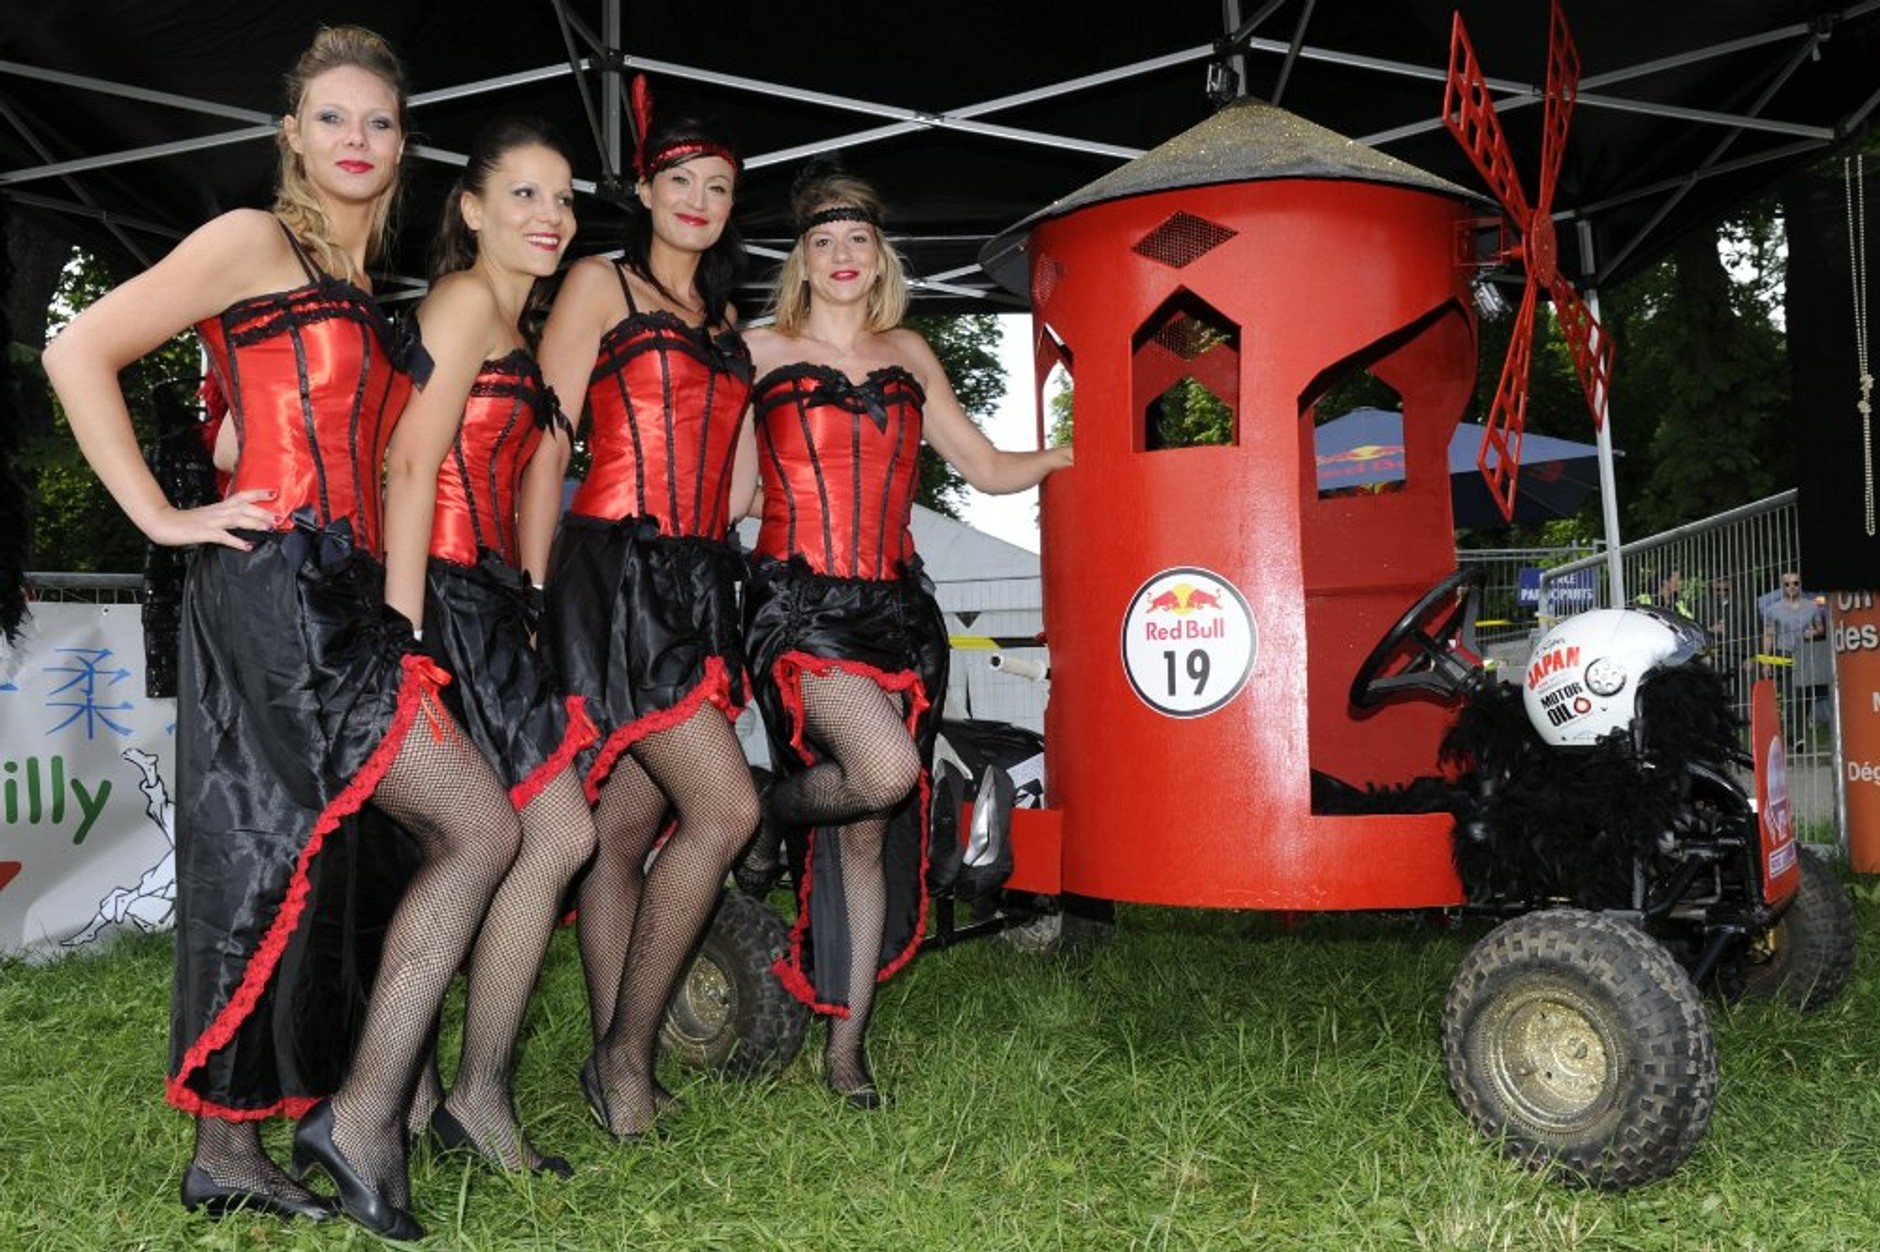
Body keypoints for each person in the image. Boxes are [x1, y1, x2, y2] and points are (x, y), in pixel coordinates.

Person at [44, 28, 521, 1241]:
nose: (355, 141)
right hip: (274, 588)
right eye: (332, 118)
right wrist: (164, 512)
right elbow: (75, 347)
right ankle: (360, 1117)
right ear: (291, 136)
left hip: (338, 594)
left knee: (274, 852)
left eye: (378, 122)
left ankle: (229, 1150)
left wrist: (397, 603)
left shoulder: (360, 287)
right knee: (479, 822)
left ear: (402, 145)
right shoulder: (251, 240)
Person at [741, 168, 1072, 1108]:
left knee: (867, 829)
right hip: (799, 608)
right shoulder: (757, 350)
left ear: (878, 256)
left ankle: (845, 1051)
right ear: (800, 259)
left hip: (896, 613)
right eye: (822, 242)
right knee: (884, 771)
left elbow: (985, 464)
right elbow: (726, 488)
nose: (842, 258)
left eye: (857, 242)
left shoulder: (911, 351)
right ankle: (766, 812)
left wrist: (1064, 456)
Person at [527, 99, 759, 1140]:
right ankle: (624, 1057)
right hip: (616, 572)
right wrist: (531, 592)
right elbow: (542, 440)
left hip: (702, 578)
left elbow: (744, 483)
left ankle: (610, 1052)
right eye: (681, 182)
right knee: (725, 813)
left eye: (718, 186)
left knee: (623, 830)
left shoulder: (726, 326)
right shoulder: (598, 282)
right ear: (644, 191)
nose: (699, 202)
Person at [379, 117, 595, 1177]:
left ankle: (467, 1093)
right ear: (469, 209)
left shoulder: (515, 318)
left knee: (545, 839)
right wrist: (406, 630)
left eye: (562, 198)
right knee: (543, 836)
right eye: (523, 194)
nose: (550, 216)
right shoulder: (467, 300)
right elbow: (409, 464)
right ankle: (448, 1096)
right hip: (444, 606)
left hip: (488, 604)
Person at [1760, 571, 1827, 748]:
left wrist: (1814, 632)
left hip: (1806, 654)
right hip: (1784, 655)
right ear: (1782, 587)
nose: (1792, 587)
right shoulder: (1773, 609)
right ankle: (1798, 737)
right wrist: (1766, 661)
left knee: (1805, 697)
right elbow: (1768, 636)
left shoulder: (1812, 606)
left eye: (1795, 583)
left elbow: (1821, 628)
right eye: (1788, 584)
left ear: (1800, 585)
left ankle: (1791, 734)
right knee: (1792, 696)